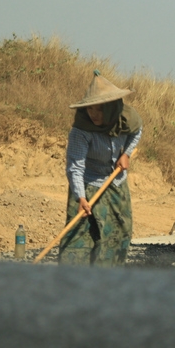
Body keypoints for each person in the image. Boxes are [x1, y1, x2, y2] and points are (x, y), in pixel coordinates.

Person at [59, 70, 143, 266]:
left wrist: (126, 154)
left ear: (111, 107)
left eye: (98, 110)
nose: (93, 114)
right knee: (79, 236)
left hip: (115, 183)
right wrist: (80, 197)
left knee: (118, 234)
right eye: (90, 109)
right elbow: (75, 167)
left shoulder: (126, 119)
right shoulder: (81, 130)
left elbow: (137, 132)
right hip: (87, 183)